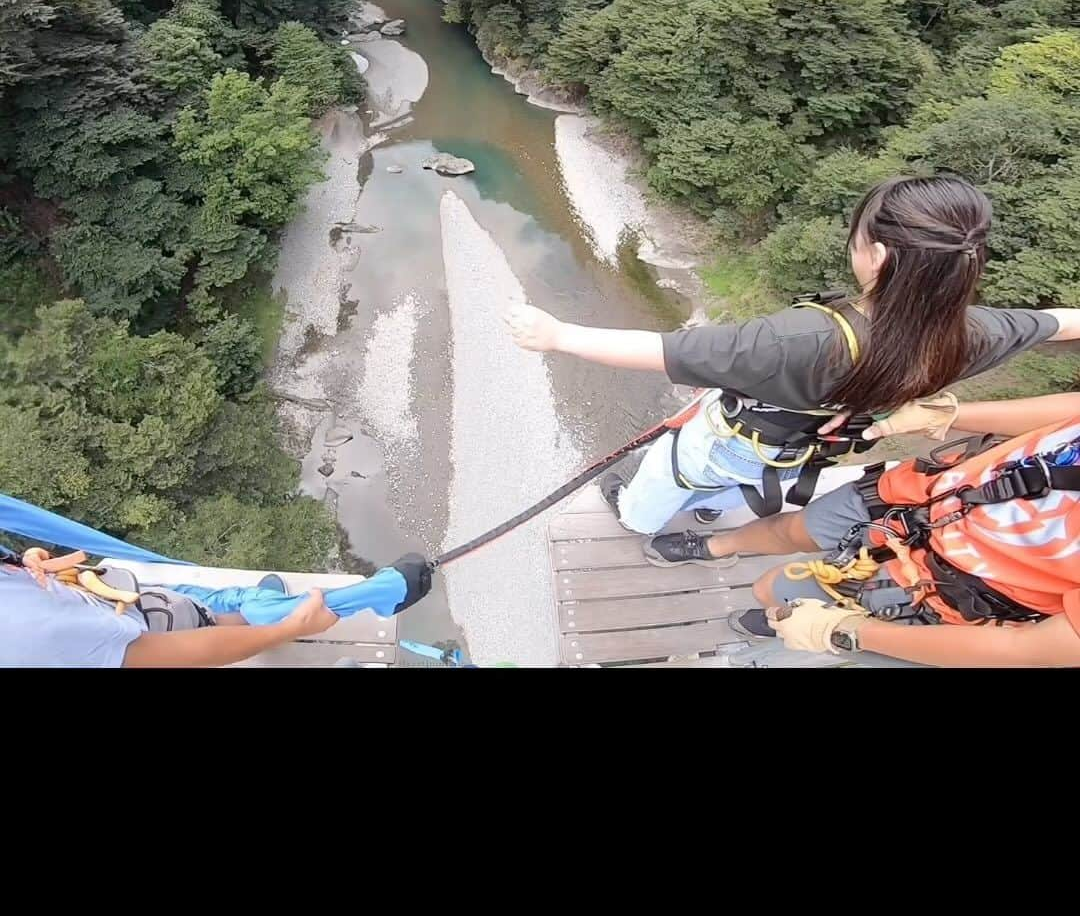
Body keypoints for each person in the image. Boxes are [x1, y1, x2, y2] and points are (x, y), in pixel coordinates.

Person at [505, 174, 1080, 562]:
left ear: (876, 255)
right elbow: (1058, 323)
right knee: (745, 481)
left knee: (669, 469)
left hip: (737, 435)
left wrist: (560, 335)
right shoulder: (975, 332)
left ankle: (638, 519)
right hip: (816, 444)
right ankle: (709, 509)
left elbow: (668, 353)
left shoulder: (800, 340)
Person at [732, 392, 1080, 667]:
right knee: (782, 560)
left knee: (775, 592)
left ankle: (778, 635)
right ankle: (724, 555)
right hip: (916, 498)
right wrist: (950, 415)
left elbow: (1033, 650)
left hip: (937, 597)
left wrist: (843, 631)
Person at [0, 551, 431, 668]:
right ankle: (384, 592)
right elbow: (190, 651)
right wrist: (292, 628)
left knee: (217, 598)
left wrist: (28, 562)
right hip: (148, 627)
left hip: (116, 603)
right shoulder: (31, 633)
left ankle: (258, 606)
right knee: (242, 612)